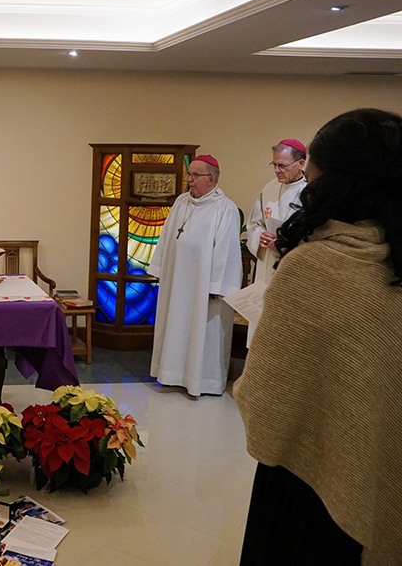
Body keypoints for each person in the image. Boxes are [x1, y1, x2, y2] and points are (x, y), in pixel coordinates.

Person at [235, 108, 402, 564]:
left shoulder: (314, 267)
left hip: (303, 484)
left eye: (312, 174)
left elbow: (265, 403)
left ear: (336, 182)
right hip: (384, 471)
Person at [147, 155, 242, 396]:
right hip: (177, 279)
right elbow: (167, 237)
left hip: (205, 286)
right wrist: (160, 270)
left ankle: (204, 381)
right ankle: (171, 374)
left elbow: (227, 251)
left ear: (211, 179)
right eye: (189, 174)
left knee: (204, 331)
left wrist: (215, 286)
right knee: (175, 324)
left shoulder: (225, 208)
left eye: (195, 175)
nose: (189, 180)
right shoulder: (182, 202)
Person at [244, 138, 307, 346]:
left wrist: (284, 243)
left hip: (291, 269)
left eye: (283, 165)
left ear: (301, 163)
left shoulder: (310, 193)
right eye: (275, 165)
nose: (278, 171)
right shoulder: (268, 190)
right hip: (265, 268)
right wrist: (259, 237)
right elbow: (254, 224)